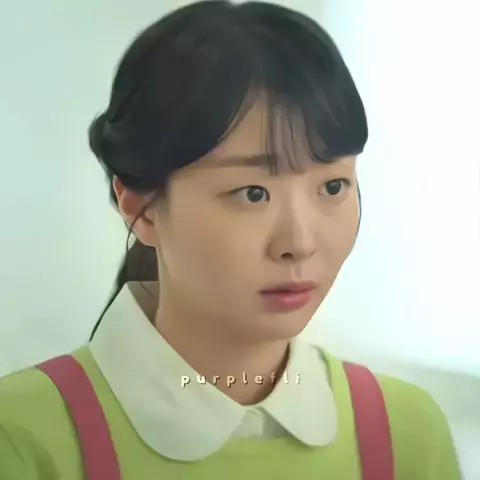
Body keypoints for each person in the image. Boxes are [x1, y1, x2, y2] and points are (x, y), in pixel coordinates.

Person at [0, 1, 462, 479]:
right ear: (140, 207)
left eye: (332, 187)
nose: (299, 242)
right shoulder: (22, 437)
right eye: (253, 193)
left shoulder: (404, 432)